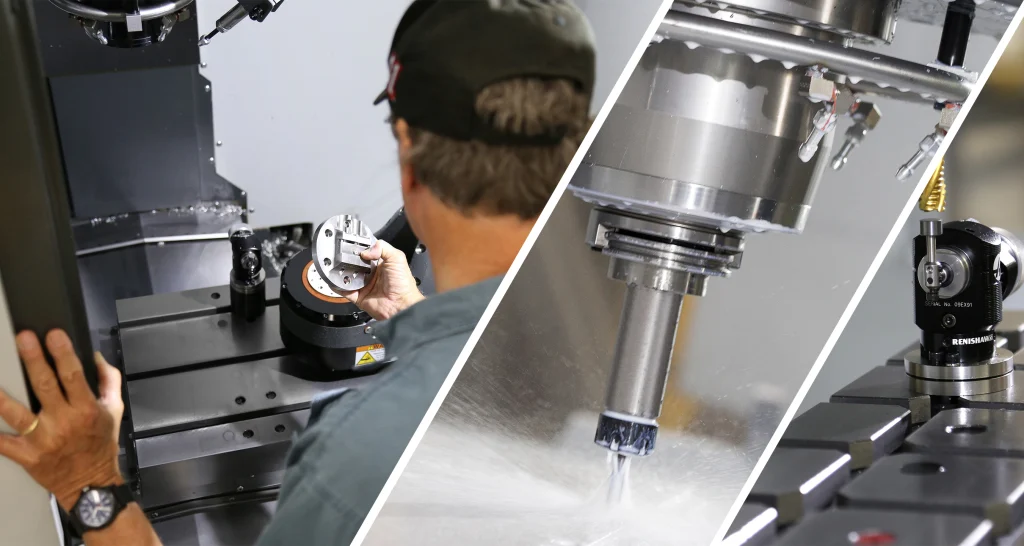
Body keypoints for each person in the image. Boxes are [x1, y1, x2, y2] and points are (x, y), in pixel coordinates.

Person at [0, 0, 595, 544]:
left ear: (409, 156)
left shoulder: (351, 457)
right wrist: (412, 316)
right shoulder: (549, 370)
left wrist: (87, 481)